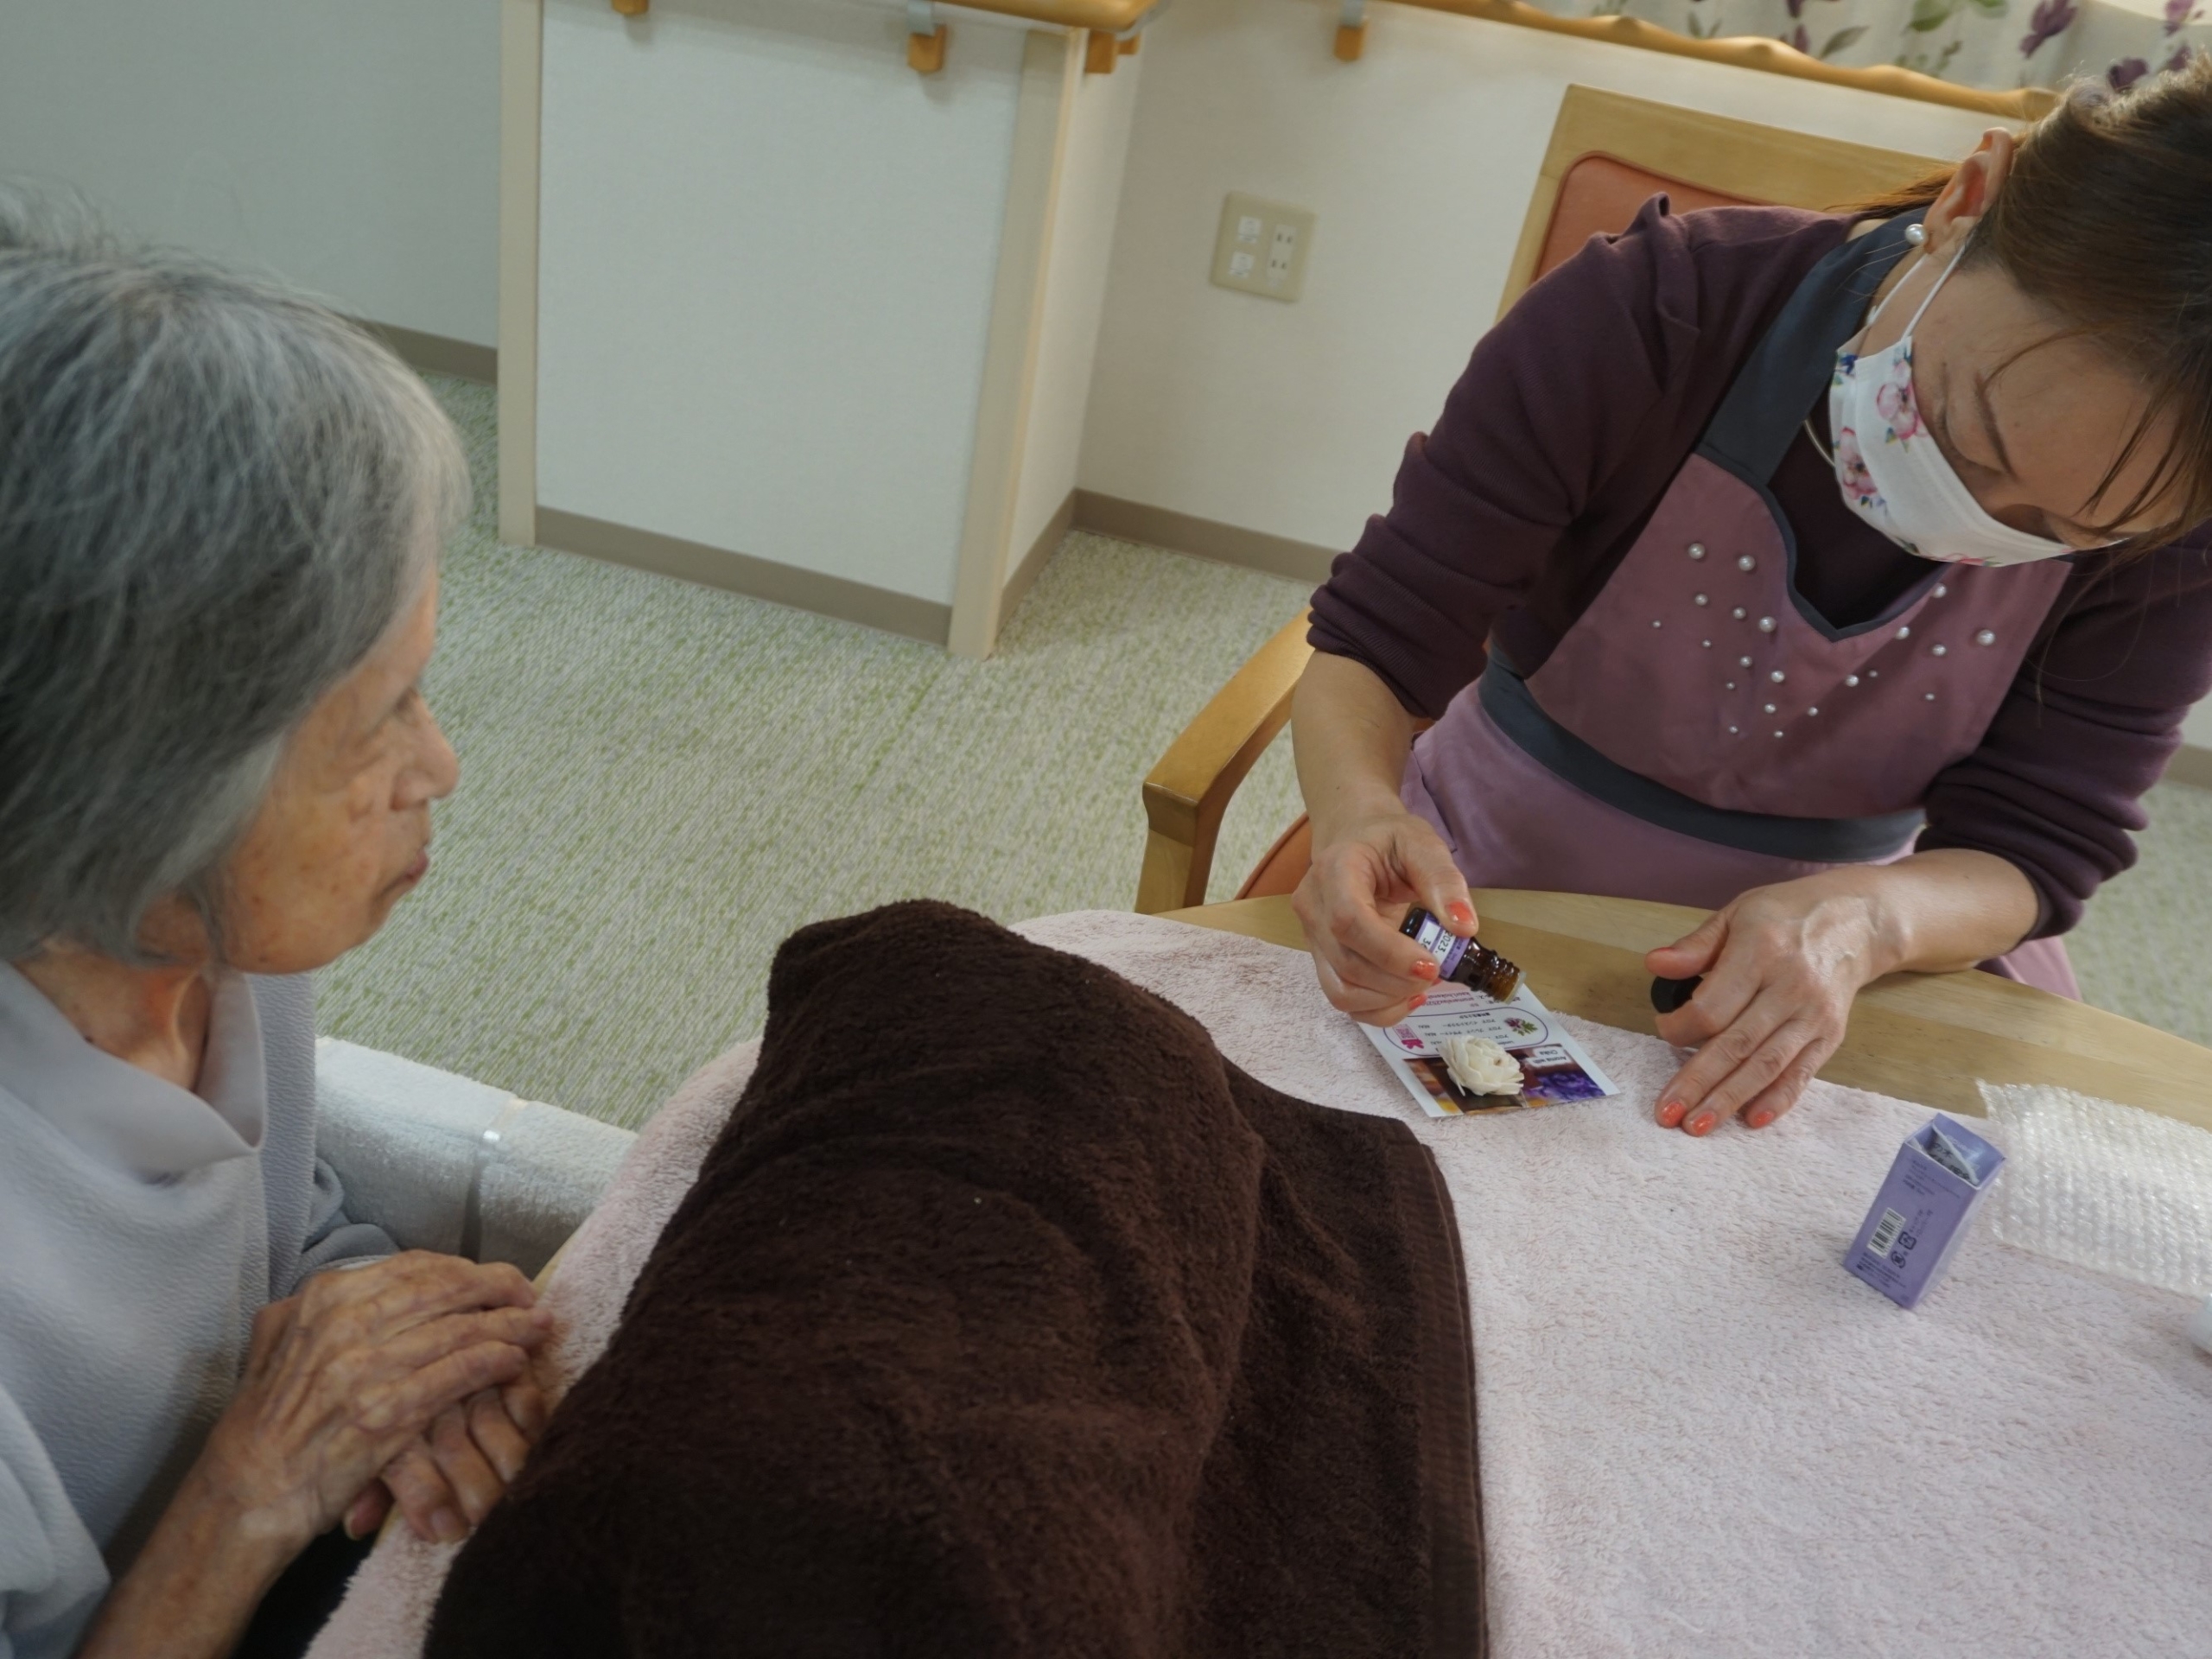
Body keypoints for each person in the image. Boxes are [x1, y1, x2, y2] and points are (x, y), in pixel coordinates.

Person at [1291, 64, 2212, 1137]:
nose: (1970, 517)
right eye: (1964, 429)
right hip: (1504, 855)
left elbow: (2035, 849)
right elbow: (1375, 645)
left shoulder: (2177, 512)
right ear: (1966, 203)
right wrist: (1359, 812)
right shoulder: (1658, 313)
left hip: (1873, 921)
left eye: (2060, 530)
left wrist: (1866, 921)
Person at [0, 198, 552, 1657]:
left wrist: (392, 1354)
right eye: (381, 724)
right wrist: (255, 1485)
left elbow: (271, 1224)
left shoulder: (193, 944)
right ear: (145, 790)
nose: (439, 770)